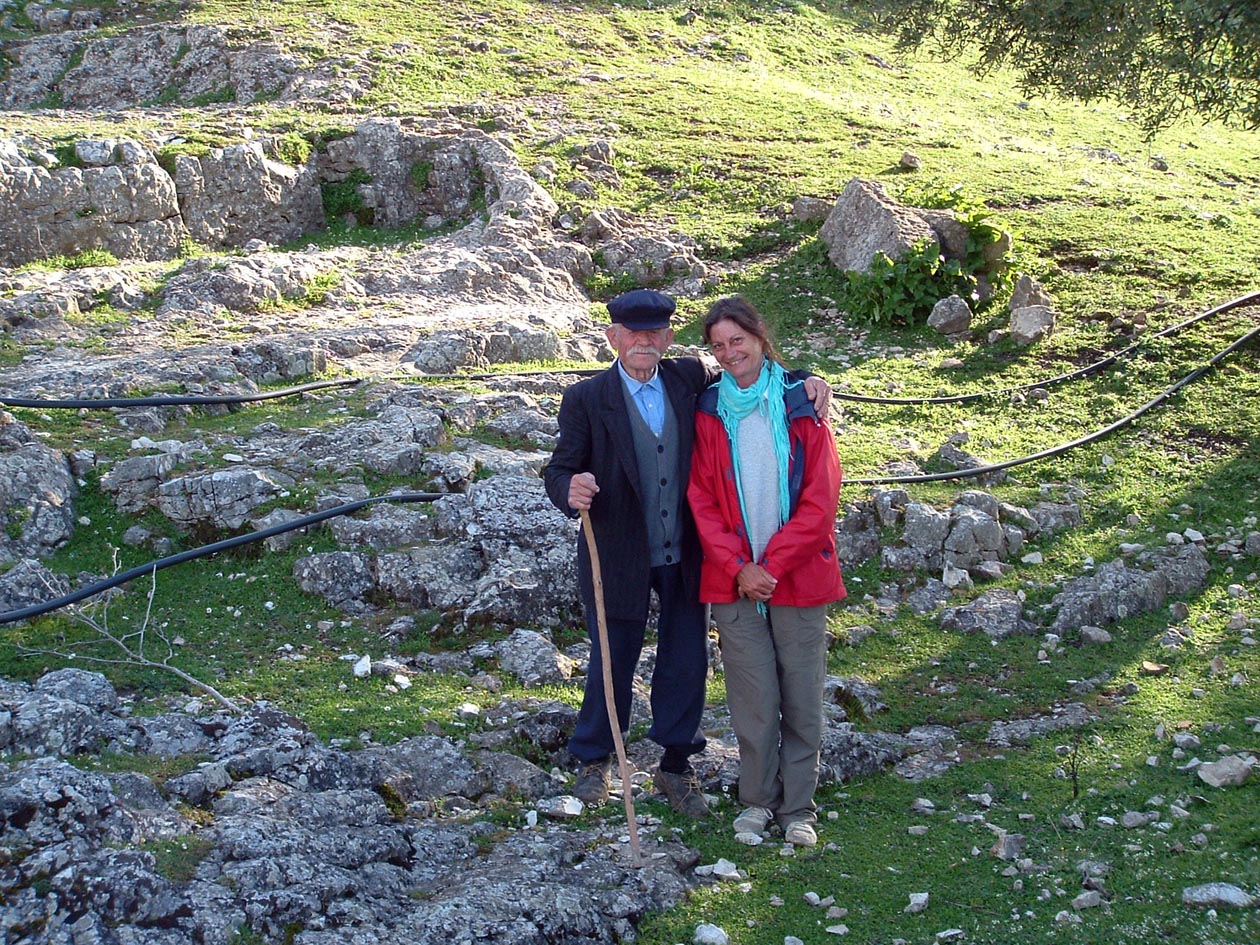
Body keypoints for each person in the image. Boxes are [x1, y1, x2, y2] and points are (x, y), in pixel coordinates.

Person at [543, 288, 830, 818]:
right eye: (633, 333)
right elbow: (559, 469)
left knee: (685, 662)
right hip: (618, 553)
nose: (644, 342)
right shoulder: (584, 398)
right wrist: (569, 488)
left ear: (669, 338)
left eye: (655, 333)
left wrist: (808, 379)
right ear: (613, 338)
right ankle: (596, 758)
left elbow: (758, 372)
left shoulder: (689, 379)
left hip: (687, 552)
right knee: (613, 657)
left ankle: (676, 765)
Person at [686, 295, 846, 847]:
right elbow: (701, 498)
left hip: (796, 576)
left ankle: (797, 808)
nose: (730, 353)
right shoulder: (706, 411)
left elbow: (820, 503)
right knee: (753, 700)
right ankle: (756, 800)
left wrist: (769, 566)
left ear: (760, 337)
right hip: (733, 581)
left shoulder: (804, 404)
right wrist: (738, 567)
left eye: (738, 341)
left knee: (802, 696)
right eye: (718, 346)